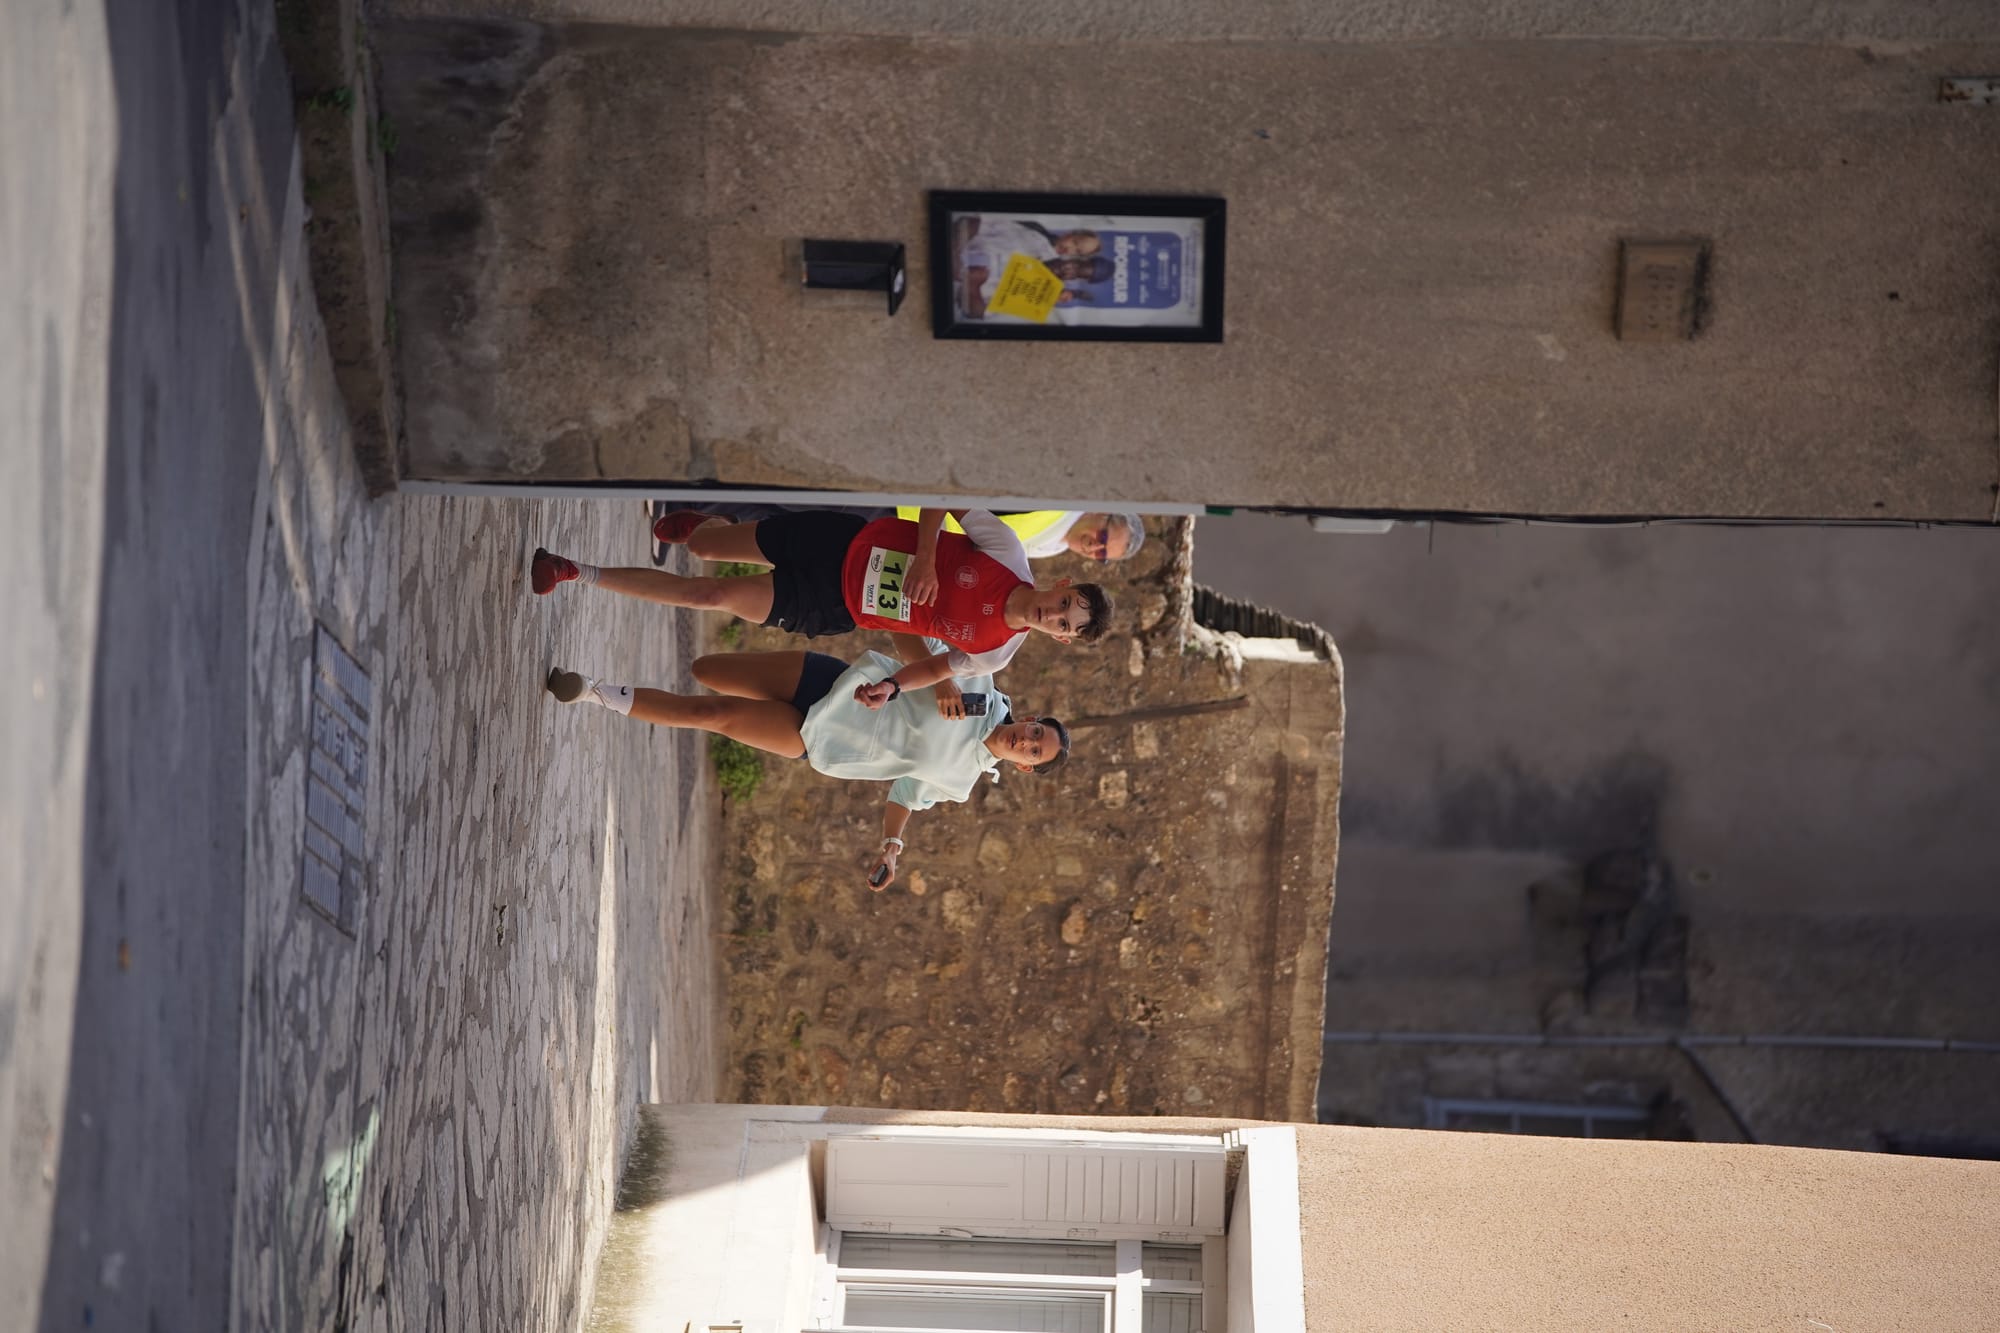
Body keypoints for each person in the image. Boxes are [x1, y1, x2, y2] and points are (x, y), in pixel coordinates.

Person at [544, 649, 1070, 890]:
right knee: (706, 669)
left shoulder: (959, 782)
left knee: (715, 714)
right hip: (834, 683)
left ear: (1024, 768)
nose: (1026, 742)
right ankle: (617, 690)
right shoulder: (979, 678)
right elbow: (916, 643)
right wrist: (939, 680)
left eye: (1033, 752)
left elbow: (906, 792)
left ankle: (589, 691)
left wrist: (892, 845)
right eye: (1035, 733)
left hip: (820, 744)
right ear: (1029, 719)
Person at [534, 507, 1112, 715]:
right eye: (1064, 603)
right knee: (707, 550)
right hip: (842, 544)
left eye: (1063, 624)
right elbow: (943, 496)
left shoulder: (995, 652)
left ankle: (572, 571)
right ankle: (709, 527)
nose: (1053, 615)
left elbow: (937, 670)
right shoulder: (1008, 554)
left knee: (708, 595)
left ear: (1060, 639)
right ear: (1060, 583)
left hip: (837, 605)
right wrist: (929, 558)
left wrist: (893, 688)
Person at [653, 504, 1146, 564]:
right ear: (1101, 513)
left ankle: (706, 522)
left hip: (904, 534)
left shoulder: (1053, 546)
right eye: (1104, 536)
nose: (1095, 547)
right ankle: (699, 512)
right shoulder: (1054, 505)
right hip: (903, 508)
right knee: (800, 508)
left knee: (796, 532)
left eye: (1104, 554)